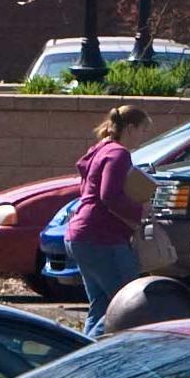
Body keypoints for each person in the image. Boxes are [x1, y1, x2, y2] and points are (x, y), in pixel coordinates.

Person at [65, 104, 148, 337]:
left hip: (82, 235)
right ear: (130, 129)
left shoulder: (100, 149)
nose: (143, 137)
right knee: (128, 303)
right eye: (143, 130)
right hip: (102, 237)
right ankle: (91, 354)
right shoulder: (118, 153)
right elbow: (109, 195)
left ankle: (79, 353)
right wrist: (140, 210)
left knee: (101, 305)